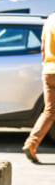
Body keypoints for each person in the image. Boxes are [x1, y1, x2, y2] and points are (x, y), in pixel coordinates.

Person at [22, 10, 55, 163]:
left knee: (49, 111)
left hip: (49, 70)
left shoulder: (49, 20)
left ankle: (31, 144)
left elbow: (43, 48)